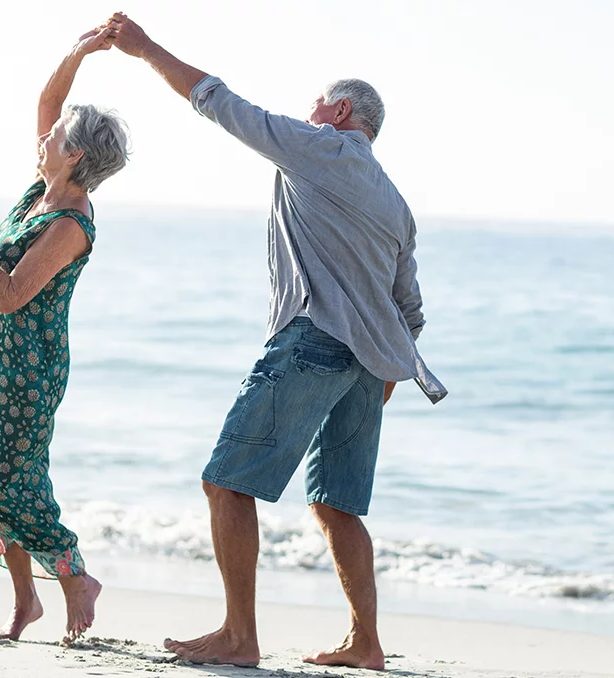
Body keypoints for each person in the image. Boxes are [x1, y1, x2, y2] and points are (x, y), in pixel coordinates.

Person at [102, 12, 447, 670]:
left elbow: (219, 102)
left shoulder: (320, 147)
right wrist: (384, 378)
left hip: (313, 341)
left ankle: (239, 635)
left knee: (226, 484)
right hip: (368, 367)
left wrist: (143, 48)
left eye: (316, 102)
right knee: (336, 504)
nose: (307, 111)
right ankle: (366, 643)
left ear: (340, 110)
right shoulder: (395, 201)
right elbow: (411, 307)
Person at [0, 26, 129, 644]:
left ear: (74, 155)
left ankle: (74, 575)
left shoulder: (71, 220)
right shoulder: (40, 191)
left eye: (55, 137)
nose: (43, 137)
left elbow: (12, 295)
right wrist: (78, 52)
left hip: (30, 363)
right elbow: (49, 107)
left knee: (9, 480)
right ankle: (26, 603)